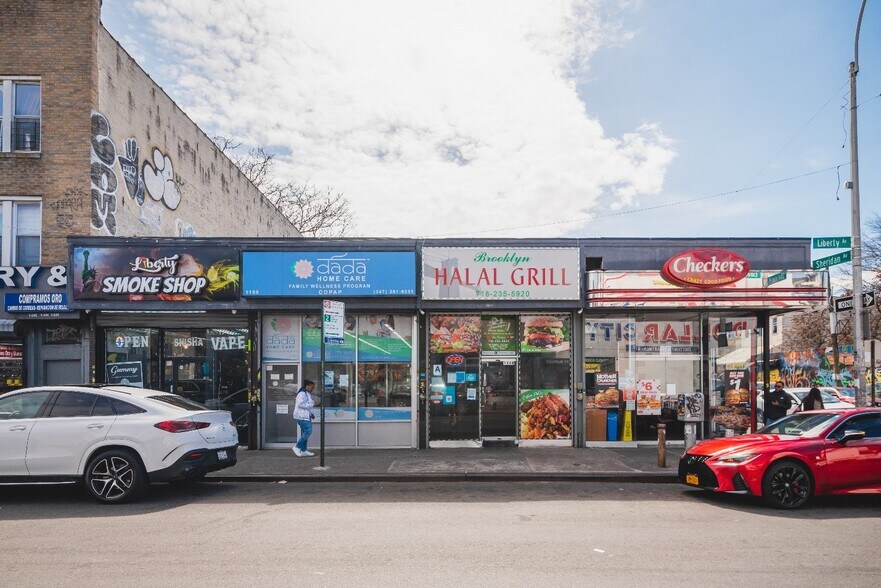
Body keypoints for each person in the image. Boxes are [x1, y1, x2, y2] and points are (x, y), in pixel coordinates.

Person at [292, 380, 316, 457]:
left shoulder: (307, 393)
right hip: (301, 416)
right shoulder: (302, 393)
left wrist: (311, 414)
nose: (313, 389)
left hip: (306, 416)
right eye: (312, 388)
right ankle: (297, 447)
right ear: (307, 386)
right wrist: (311, 405)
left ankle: (303, 450)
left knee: (304, 432)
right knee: (308, 431)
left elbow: (308, 404)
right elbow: (300, 404)